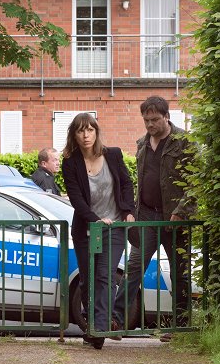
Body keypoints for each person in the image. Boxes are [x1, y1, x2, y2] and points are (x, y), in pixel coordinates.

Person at [113, 96, 197, 342]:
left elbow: (196, 181)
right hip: (147, 216)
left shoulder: (184, 142)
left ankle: (179, 325)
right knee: (134, 268)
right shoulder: (142, 144)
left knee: (180, 272)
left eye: (155, 119)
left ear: (166, 116)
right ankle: (116, 319)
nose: (150, 124)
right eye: (146, 119)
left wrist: (181, 210)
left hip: (175, 218)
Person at [61, 113, 135, 349]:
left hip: (113, 226)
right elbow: (76, 198)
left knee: (104, 276)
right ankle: (94, 325)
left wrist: (128, 210)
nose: (86, 135)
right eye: (80, 131)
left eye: (90, 130)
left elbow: (126, 183)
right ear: (74, 134)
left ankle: (99, 329)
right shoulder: (71, 162)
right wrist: (95, 219)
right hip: (86, 228)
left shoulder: (113, 154)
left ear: (96, 132)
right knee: (87, 280)